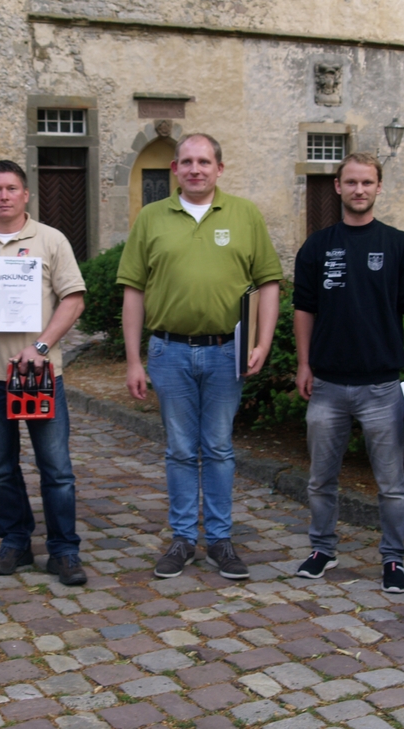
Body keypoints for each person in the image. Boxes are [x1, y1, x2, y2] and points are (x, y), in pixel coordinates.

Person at [117, 133, 282, 580]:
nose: (195, 169)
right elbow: (133, 291)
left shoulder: (245, 215)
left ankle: (221, 540)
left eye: (204, 162)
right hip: (168, 352)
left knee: (220, 447)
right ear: (175, 168)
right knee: (180, 450)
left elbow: (269, 282)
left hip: (227, 352)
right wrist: (133, 360)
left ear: (219, 169)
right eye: (187, 162)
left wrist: (263, 342)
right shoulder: (151, 218)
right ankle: (183, 538)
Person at [292, 152, 404, 593]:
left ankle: (393, 557)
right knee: (320, 479)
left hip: (382, 387)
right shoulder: (317, 246)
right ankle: (322, 549)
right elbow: (304, 308)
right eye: (351, 182)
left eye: (367, 182)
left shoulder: (398, 245)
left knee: (391, 484)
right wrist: (303, 363)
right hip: (328, 385)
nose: (359, 190)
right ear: (338, 186)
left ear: (378, 187)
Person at [0, 160, 88, 586]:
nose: (3, 196)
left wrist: (41, 347)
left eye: (11, 188)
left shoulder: (51, 239)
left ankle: (64, 550)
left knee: (56, 468)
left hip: (40, 372)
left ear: (26, 194)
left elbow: (74, 300)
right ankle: (15, 542)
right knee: (2, 468)